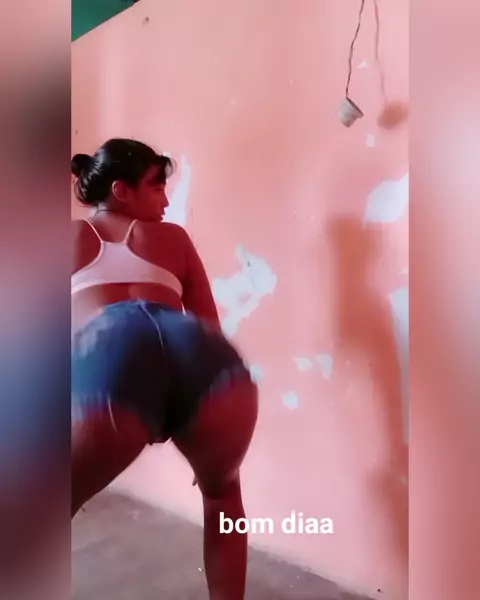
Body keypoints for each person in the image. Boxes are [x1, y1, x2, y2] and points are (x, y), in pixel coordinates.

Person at [71, 138, 258, 600]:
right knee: (223, 495)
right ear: (121, 189)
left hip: (114, 354)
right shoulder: (174, 238)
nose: (167, 202)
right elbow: (208, 325)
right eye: (158, 187)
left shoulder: (65, 238)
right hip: (202, 358)